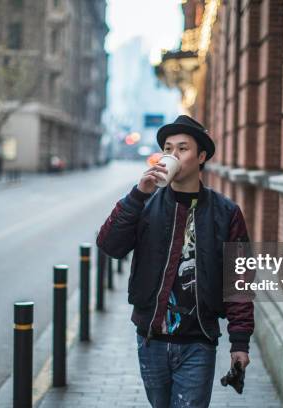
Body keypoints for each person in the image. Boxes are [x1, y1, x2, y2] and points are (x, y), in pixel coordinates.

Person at [97, 115, 254, 408]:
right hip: (151, 339)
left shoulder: (226, 213)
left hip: (199, 342)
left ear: (202, 156)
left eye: (182, 148)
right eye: (168, 149)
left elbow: (239, 281)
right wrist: (137, 195)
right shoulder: (144, 204)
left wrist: (240, 342)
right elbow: (109, 245)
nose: (173, 155)